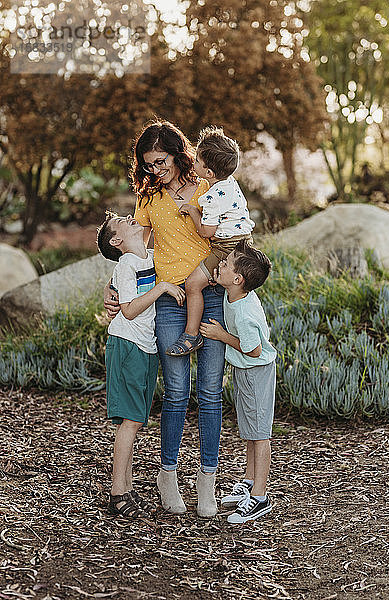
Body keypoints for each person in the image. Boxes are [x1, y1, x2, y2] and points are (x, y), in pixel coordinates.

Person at [104, 120, 226, 518]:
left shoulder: (208, 187)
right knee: (175, 390)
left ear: (178, 153)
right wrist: (114, 287)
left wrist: (206, 273)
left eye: (161, 161)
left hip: (213, 295)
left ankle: (207, 481)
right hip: (170, 300)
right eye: (149, 163)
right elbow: (135, 251)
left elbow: (231, 238)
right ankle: (168, 476)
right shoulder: (149, 197)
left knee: (210, 393)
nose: (155, 169)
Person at [97, 211, 185, 518]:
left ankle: (128, 488)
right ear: (117, 240)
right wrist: (161, 288)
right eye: (122, 220)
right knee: (130, 422)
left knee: (134, 421)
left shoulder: (145, 255)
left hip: (145, 347)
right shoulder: (127, 263)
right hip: (127, 344)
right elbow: (130, 310)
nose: (129, 217)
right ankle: (117, 493)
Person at [199, 240, 277, 524]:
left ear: (237, 279)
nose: (219, 264)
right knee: (249, 430)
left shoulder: (244, 313)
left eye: (225, 264)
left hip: (256, 371)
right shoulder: (234, 293)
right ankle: (248, 480)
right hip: (246, 371)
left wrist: (221, 336)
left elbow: (254, 349)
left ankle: (259, 496)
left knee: (260, 434)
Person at [166, 126, 255, 357]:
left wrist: (194, 211)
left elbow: (206, 231)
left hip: (227, 247)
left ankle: (191, 335)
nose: (193, 164)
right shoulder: (230, 183)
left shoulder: (213, 196)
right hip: (244, 242)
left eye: (197, 161)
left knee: (193, 284)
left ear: (208, 172)